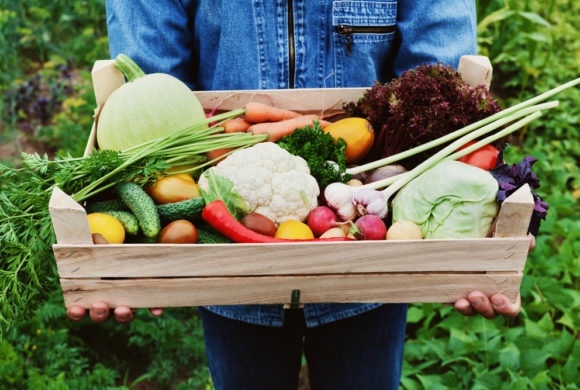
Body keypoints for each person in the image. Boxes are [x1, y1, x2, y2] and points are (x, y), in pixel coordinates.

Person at [68, 1, 532, 388]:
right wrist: (128, 262)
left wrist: (468, 247)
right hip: (226, 267)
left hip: (372, 259)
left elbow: (437, 79)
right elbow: (150, 87)